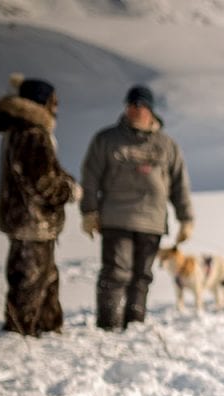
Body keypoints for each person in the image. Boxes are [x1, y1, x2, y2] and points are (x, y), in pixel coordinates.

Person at [80, 84, 194, 330]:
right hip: (116, 218)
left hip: (151, 221)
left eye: (140, 105)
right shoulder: (107, 140)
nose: (134, 110)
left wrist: (187, 218)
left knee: (142, 277)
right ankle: (108, 326)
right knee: (117, 273)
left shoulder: (166, 145)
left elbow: (179, 183)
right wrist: (89, 211)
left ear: (150, 110)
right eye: (130, 104)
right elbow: (90, 177)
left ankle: (134, 326)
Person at [0, 74, 81, 336]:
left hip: (28, 221)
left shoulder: (20, 131)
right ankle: (21, 333)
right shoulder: (32, 134)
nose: (57, 107)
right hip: (33, 222)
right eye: (54, 101)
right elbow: (43, 182)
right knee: (29, 281)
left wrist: (65, 181)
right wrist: (69, 190)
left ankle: (48, 328)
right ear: (43, 102)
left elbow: (46, 173)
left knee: (45, 278)